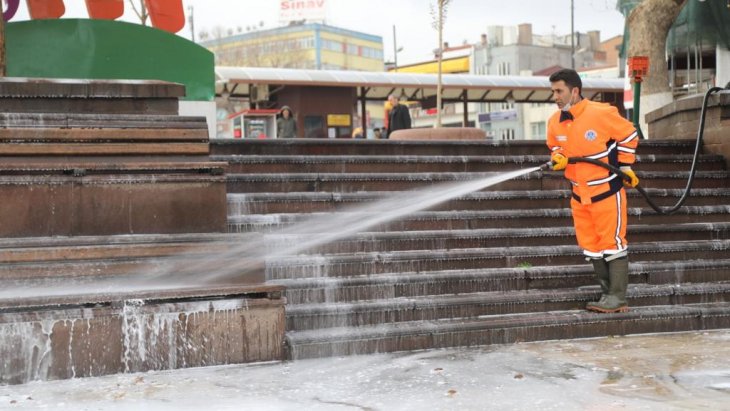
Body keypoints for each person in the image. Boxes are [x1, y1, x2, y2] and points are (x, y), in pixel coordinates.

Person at [546, 68, 640, 314]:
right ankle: (607, 295)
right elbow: (555, 146)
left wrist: (626, 166)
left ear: (574, 91)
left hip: (607, 191)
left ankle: (617, 298)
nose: (555, 96)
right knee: (591, 245)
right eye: (553, 91)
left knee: (612, 243)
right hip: (579, 195)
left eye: (559, 91)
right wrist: (558, 157)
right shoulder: (554, 122)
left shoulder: (601, 113)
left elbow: (629, 135)